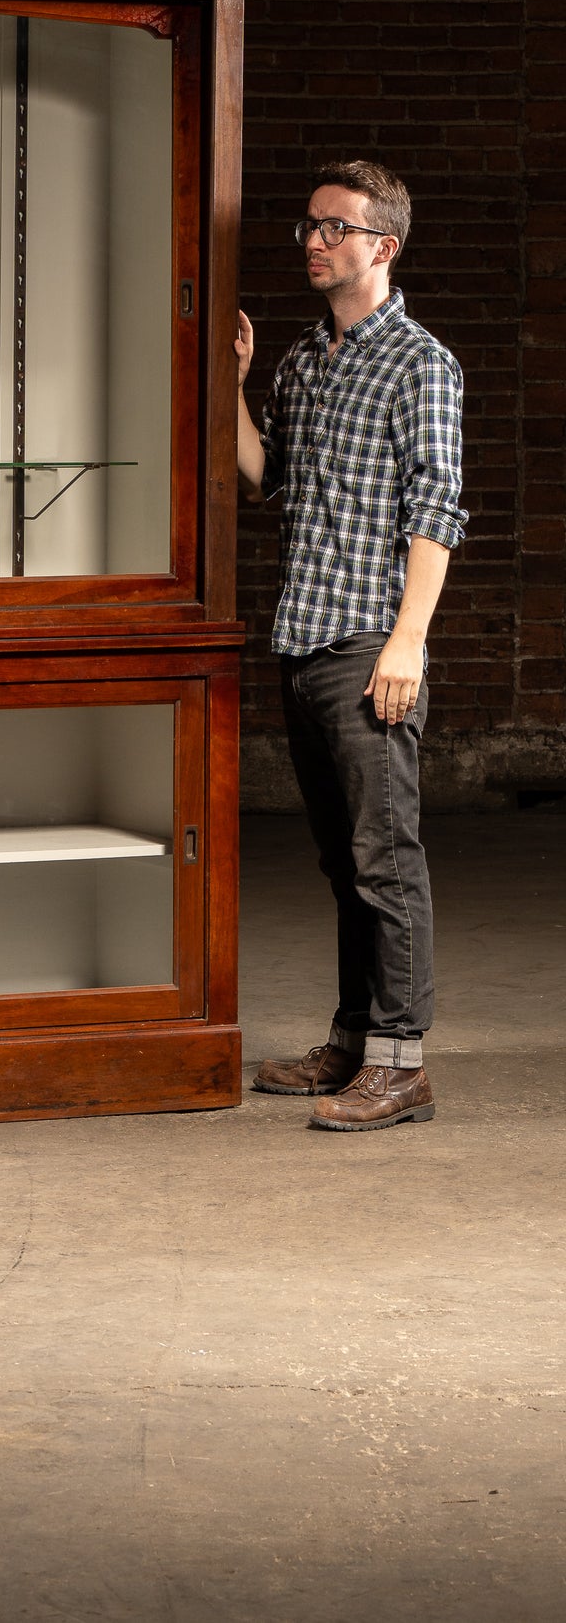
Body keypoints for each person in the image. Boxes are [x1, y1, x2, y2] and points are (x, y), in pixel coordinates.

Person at [235, 160, 467, 1130]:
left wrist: (405, 643)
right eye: (308, 227)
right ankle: (350, 1041)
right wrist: (229, 388)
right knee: (341, 863)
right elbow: (262, 476)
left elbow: (436, 509)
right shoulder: (298, 362)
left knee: (385, 860)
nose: (313, 241)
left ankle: (400, 1064)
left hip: (369, 646)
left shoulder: (419, 361)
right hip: (302, 641)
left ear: (382, 246)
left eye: (334, 227)